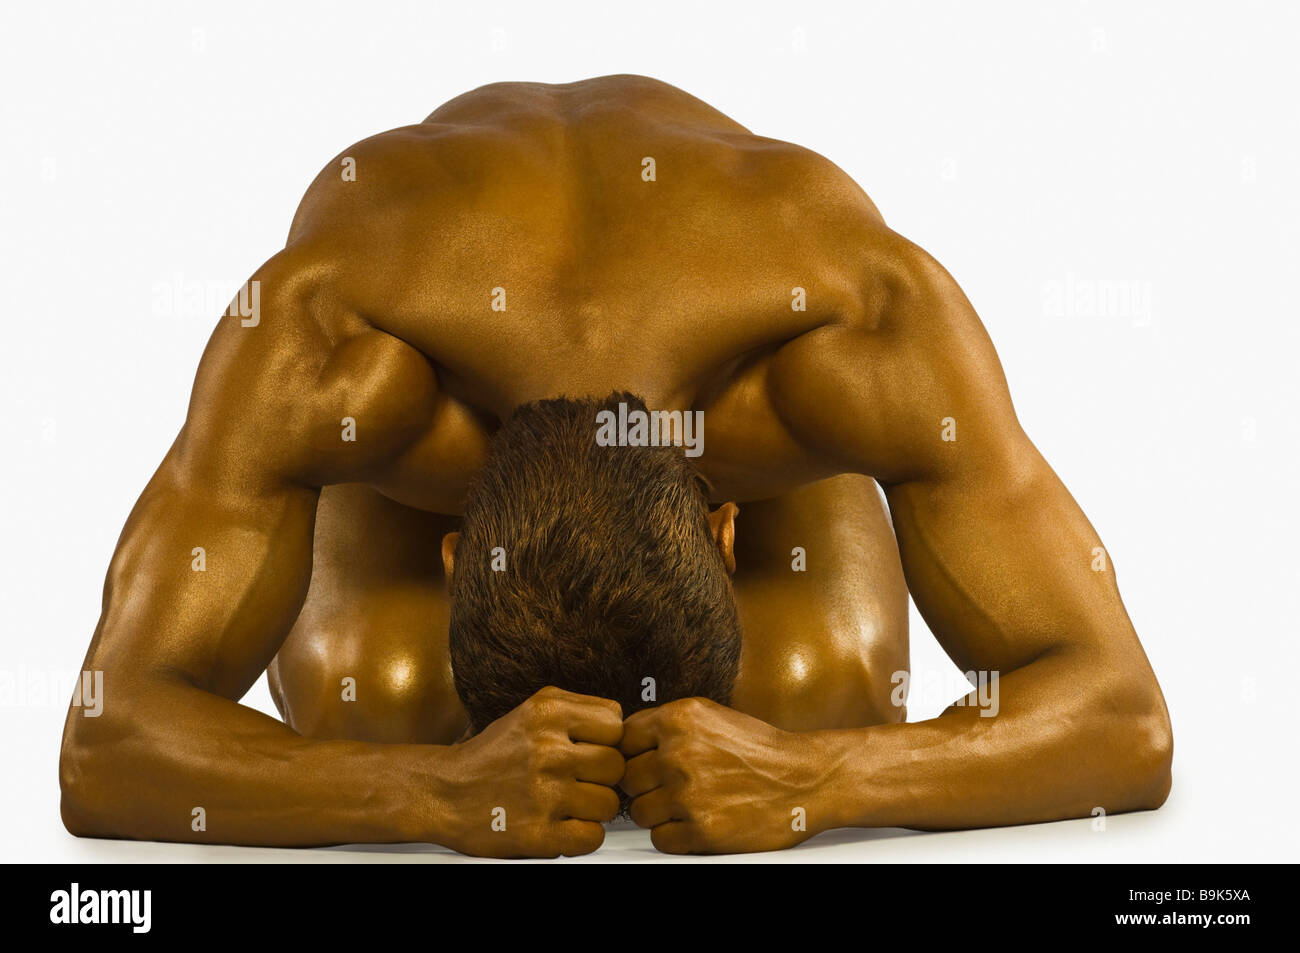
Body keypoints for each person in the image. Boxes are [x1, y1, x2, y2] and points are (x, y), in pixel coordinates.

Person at [58, 74, 1172, 858]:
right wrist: (424, 790)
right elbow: (106, 741)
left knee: (810, 688)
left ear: (727, 523)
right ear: (452, 542)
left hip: (735, 355)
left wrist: (822, 779)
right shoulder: (330, 353)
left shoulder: (851, 337)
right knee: (386, 703)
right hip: (424, 361)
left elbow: (1125, 718)